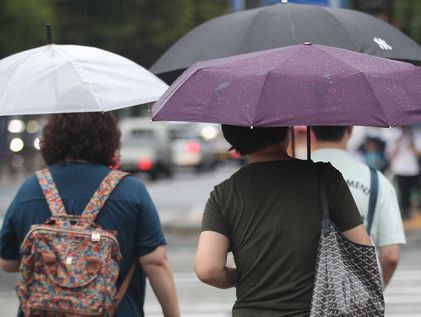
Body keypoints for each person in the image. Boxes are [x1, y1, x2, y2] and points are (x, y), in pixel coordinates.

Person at [0, 113, 180, 317]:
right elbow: (156, 261)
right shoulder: (130, 191)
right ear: (109, 139)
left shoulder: (30, 190)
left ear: (51, 140)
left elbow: (9, 262)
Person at [195, 124, 371, 317]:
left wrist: (241, 275)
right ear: (286, 132)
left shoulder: (224, 194)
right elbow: (361, 248)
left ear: (234, 139)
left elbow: (208, 269)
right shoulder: (326, 178)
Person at [312, 126, 406, 288]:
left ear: (312, 130)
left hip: (306, 293)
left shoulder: (290, 177)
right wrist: (375, 291)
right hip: (358, 293)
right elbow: (391, 256)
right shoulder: (376, 180)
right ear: (349, 130)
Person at [387, 126, 420, 219]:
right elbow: (390, 154)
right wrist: (399, 139)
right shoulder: (393, 134)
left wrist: (411, 141)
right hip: (400, 168)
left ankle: (413, 209)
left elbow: (417, 152)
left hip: (413, 168)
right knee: (403, 191)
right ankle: (404, 211)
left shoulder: (414, 133)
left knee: (414, 191)